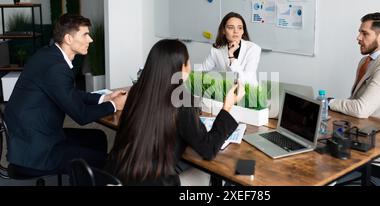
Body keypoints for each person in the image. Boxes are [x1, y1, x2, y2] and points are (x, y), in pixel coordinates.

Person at [105, 39, 245, 186]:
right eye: (188, 63)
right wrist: (227, 107)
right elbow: (208, 148)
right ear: (181, 68)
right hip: (154, 183)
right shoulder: (180, 99)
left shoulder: (136, 91)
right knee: (208, 173)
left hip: (117, 176)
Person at [3, 14, 127, 176]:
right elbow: (81, 115)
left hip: (32, 136)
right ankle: (93, 176)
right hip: (37, 151)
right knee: (105, 161)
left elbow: (69, 93)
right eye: (85, 34)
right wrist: (114, 105)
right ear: (68, 38)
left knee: (97, 137)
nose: (90, 40)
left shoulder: (49, 55)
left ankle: (88, 179)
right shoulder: (56, 68)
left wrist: (105, 98)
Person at [329, 12, 380, 162]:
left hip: (377, 138)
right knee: (311, 132)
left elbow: (360, 109)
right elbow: (354, 100)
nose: (358, 38)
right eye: (359, 32)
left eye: (364, 33)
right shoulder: (366, 61)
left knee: (321, 146)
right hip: (358, 127)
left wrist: (330, 102)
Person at [195, 12, 261, 85]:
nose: (236, 31)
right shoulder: (217, 49)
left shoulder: (253, 49)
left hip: (249, 92)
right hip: (227, 92)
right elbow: (201, 70)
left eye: (240, 28)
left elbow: (246, 80)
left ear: (243, 31)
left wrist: (231, 56)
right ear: (223, 30)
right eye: (230, 27)